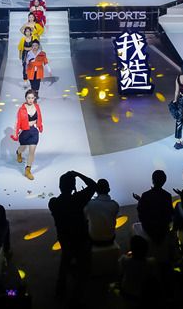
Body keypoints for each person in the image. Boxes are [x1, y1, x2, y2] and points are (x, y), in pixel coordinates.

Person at [48, 170, 97, 301]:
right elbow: (93, 185)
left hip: (64, 239)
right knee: (83, 265)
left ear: (60, 186)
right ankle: (78, 294)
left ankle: (60, 289)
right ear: (73, 186)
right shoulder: (78, 199)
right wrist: (78, 174)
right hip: (81, 239)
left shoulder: (53, 203)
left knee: (65, 259)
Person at [132, 170, 173, 244]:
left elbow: (141, 211)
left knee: (134, 226)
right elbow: (169, 213)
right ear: (164, 181)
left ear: (152, 180)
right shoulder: (167, 195)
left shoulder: (145, 195)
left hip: (149, 229)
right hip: (163, 229)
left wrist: (140, 200)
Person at [10, 89, 43, 180]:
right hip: (25, 132)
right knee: (23, 148)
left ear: (34, 98)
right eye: (28, 98)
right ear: (25, 98)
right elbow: (17, 122)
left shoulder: (37, 107)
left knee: (32, 151)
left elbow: (39, 117)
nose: (30, 100)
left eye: (32, 98)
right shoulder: (21, 109)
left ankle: (28, 170)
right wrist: (15, 134)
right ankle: (18, 153)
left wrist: (39, 126)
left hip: (34, 131)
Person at [118, 235, 159, 305]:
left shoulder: (124, 260)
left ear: (131, 248)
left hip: (126, 291)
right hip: (144, 294)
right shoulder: (151, 262)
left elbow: (118, 271)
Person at [84, 178, 120, 246]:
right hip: (110, 238)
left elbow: (85, 217)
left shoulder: (90, 204)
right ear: (108, 190)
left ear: (96, 190)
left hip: (94, 239)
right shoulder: (115, 205)